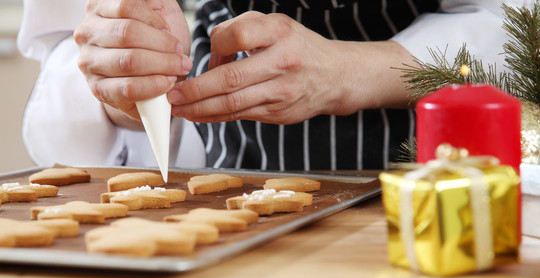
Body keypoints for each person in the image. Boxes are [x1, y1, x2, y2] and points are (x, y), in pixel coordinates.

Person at [17, 0, 533, 171]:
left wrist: (353, 70)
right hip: (233, 176)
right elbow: (75, 34)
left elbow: (519, 24)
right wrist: (129, 88)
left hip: (449, 179)